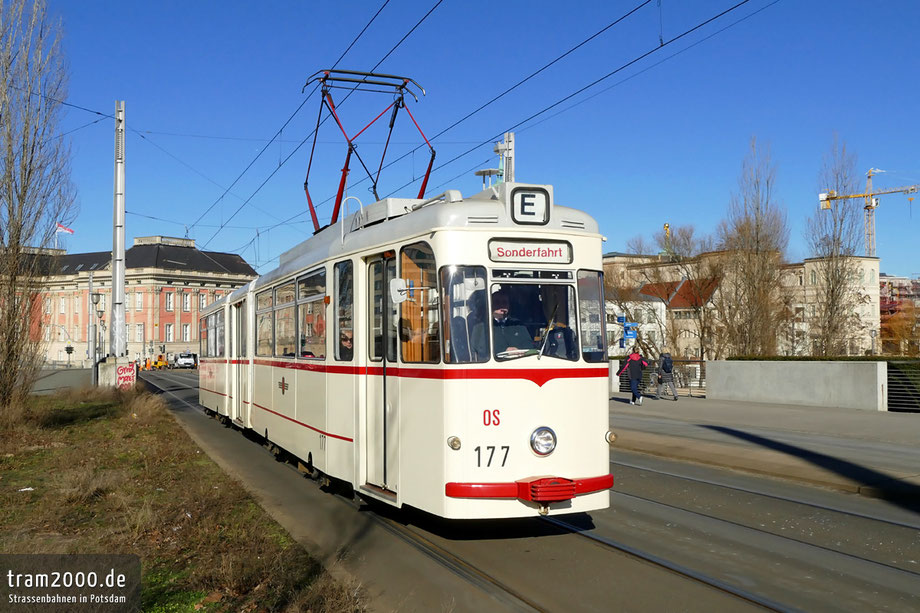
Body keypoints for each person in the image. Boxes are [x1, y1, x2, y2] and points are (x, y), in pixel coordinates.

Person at [487, 290, 534, 355]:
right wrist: (504, 350)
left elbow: (529, 344)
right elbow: (481, 347)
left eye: (504, 302)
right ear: (491, 304)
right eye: (497, 302)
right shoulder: (483, 326)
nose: (501, 306)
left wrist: (518, 350)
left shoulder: (517, 324)